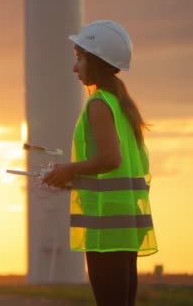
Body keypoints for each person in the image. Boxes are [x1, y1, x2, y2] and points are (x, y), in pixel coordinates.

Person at [42, 20, 158, 306]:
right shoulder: (121, 105)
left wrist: (69, 169)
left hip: (107, 228)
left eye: (79, 58)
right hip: (125, 224)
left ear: (95, 61)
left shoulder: (99, 104)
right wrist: (73, 177)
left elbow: (110, 159)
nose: (74, 67)